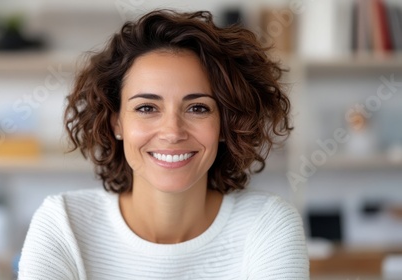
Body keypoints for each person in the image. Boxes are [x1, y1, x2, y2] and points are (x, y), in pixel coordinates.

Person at [18, 9, 309, 279]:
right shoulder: (64, 224)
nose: (172, 132)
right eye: (146, 108)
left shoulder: (268, 225)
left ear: (226, 123)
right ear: (116, 121)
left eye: (198, 108)